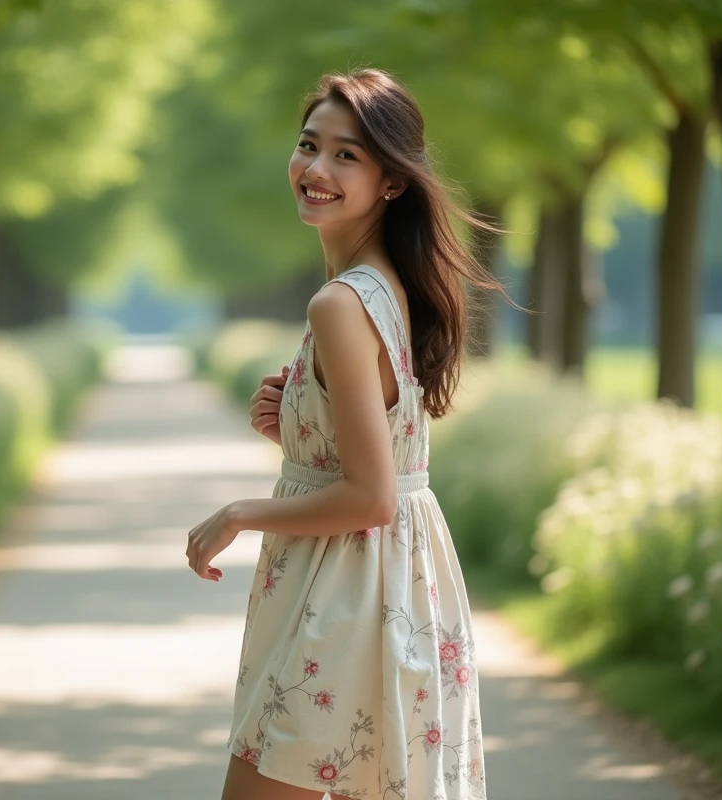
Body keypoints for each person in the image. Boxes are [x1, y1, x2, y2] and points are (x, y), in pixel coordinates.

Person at [185, 67, 509, 800]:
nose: (316, 169)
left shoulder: (339, 304)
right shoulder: (385, 287)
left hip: (346, 599)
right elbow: (378, 463)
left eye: (347, 155)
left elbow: (371, 497)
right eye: (309, 146)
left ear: (392, 181)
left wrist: (238, 513)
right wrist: (301, 437)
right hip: (389, 585)